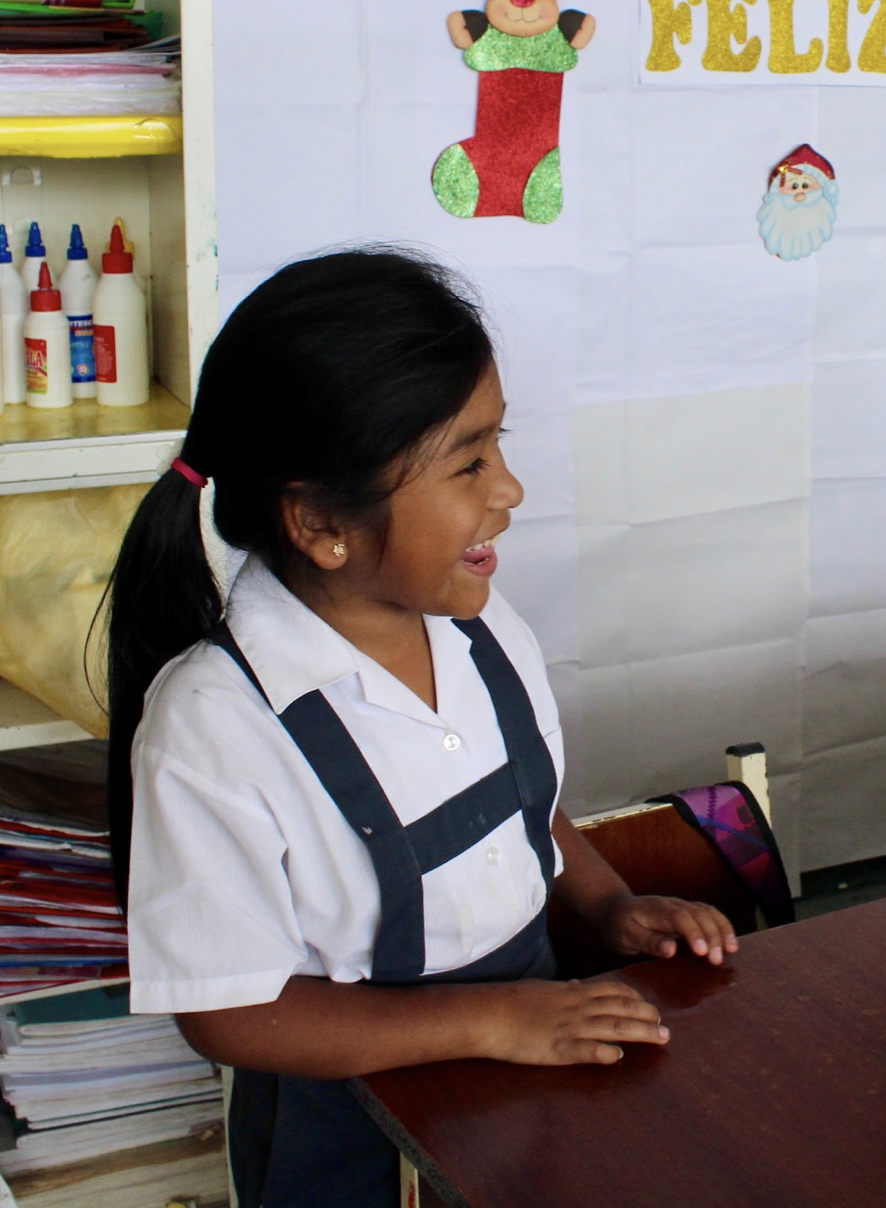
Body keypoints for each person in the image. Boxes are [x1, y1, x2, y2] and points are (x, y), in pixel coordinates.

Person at [104, 248, 738, 1208]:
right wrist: (490, 1023)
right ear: (321, 522)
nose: (510, 489)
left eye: (500, 445)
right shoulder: (215, 723)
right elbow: (228, 1011)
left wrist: (607, 907)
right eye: (469, 462)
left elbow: (527, 814)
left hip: (529, 1061)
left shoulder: (483, 625)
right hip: (350, 1123)